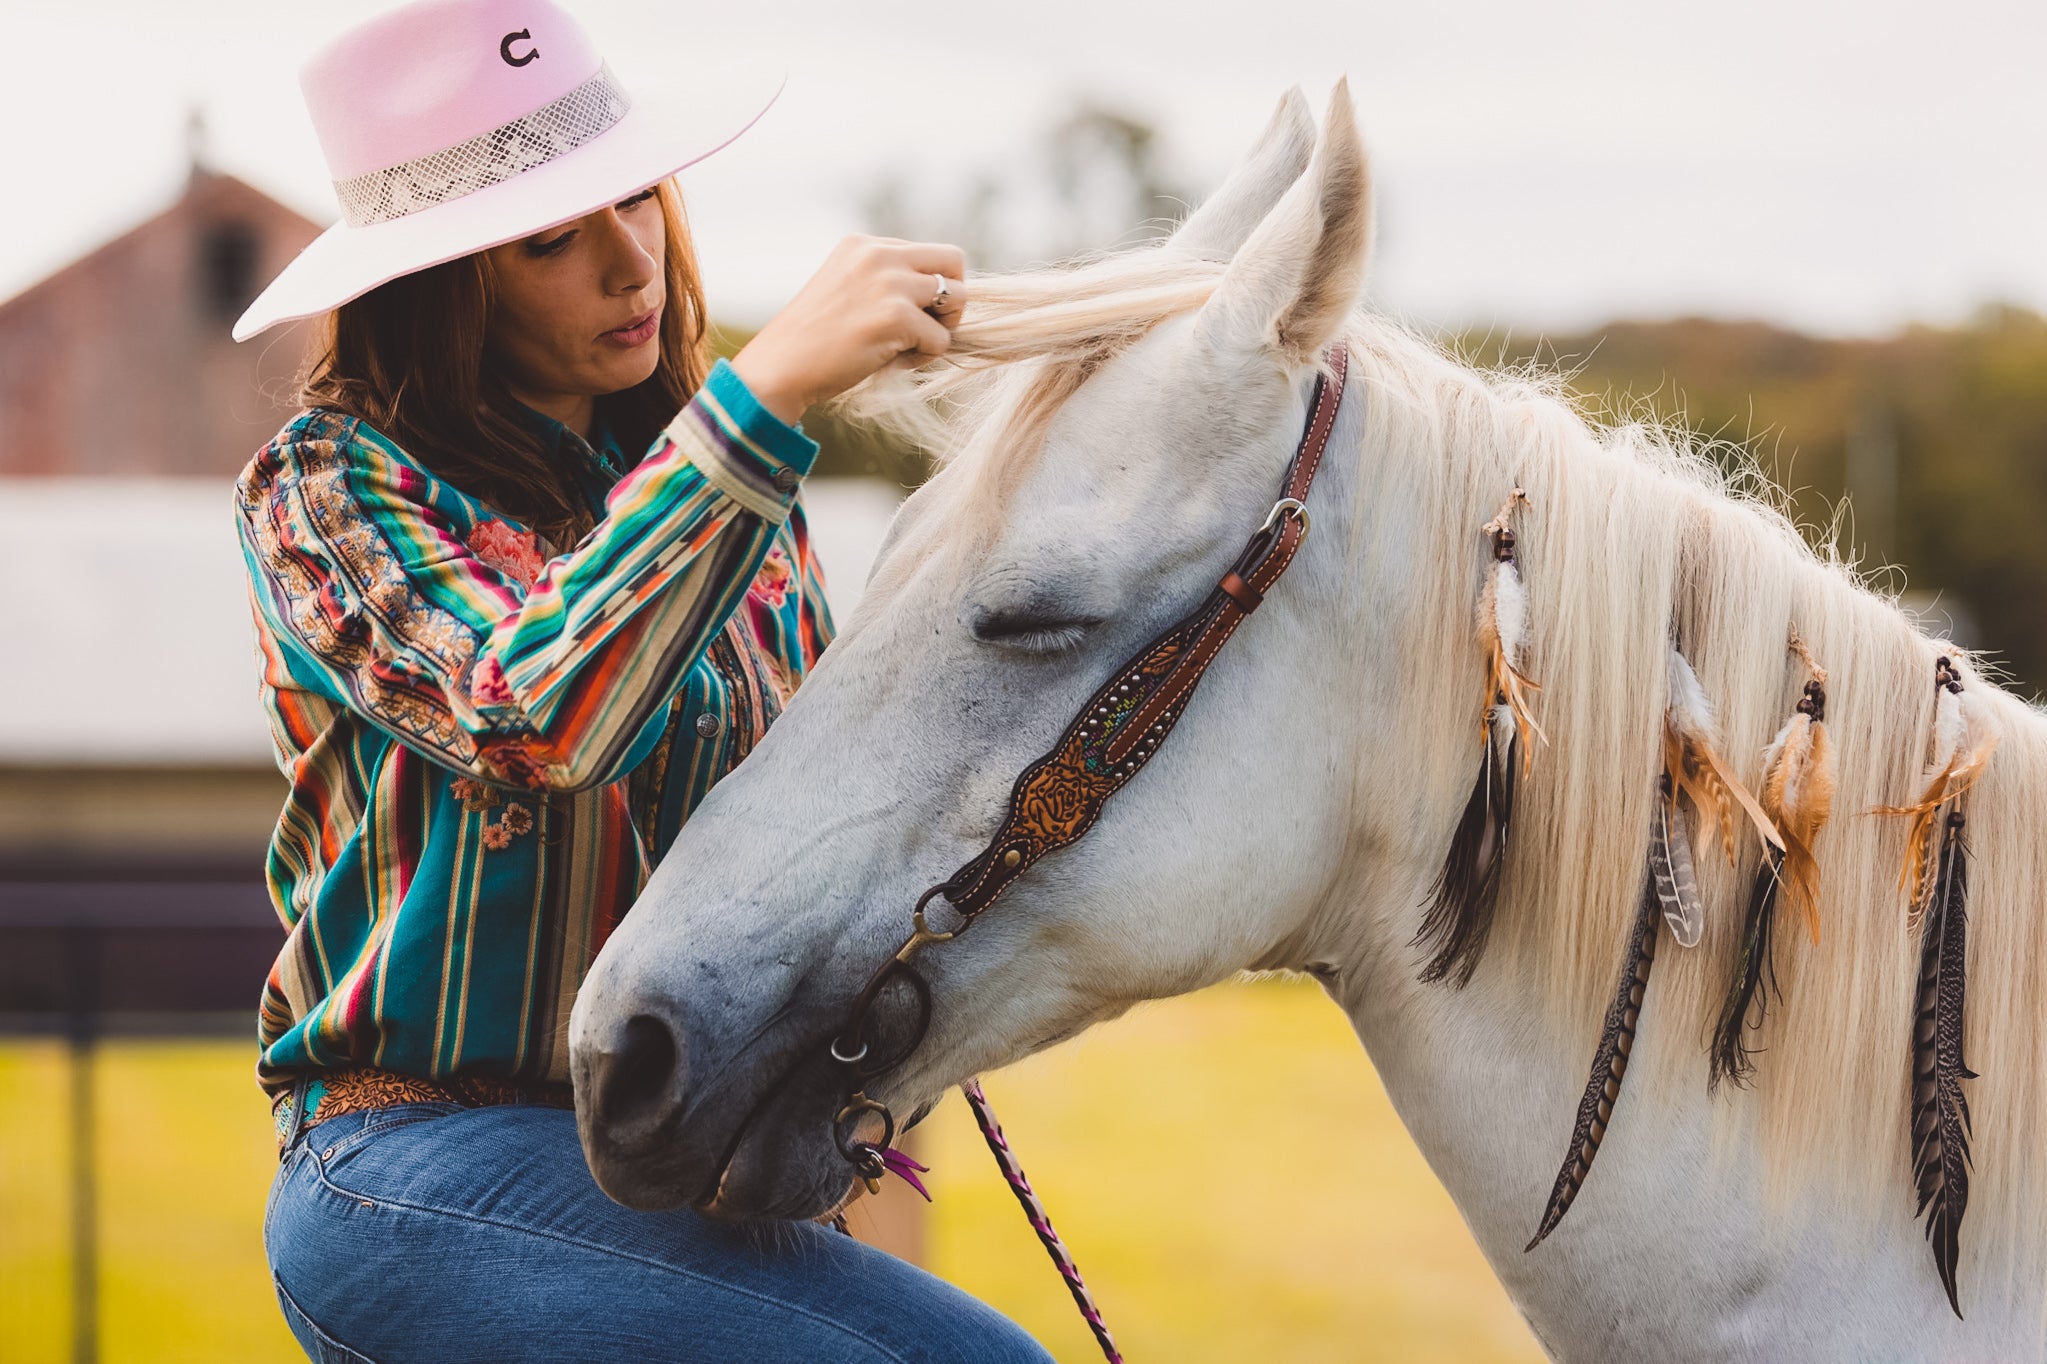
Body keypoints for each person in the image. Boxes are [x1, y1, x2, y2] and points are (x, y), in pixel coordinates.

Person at [230, 2, 1050, 1360]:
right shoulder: (325, 489)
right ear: (441, 282)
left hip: (687, 1168)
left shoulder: (731, 490)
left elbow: (822, 815)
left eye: (637, 201)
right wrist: (764, 396)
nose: (633, 264)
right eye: (552, 238)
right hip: (414, 1164)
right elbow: (524, 714)